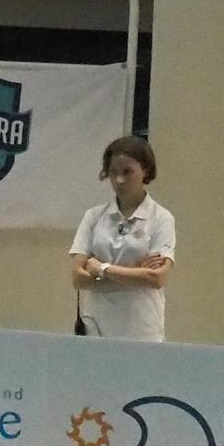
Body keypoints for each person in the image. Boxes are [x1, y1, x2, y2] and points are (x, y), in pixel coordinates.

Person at [70, 135, 174, 343]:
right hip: (95, 329)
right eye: (113, 172)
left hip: (142, 331)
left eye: (127, 172)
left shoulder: (161, 218)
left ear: (145, 170)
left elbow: (156, 279)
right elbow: (78, 278)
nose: (119, 180)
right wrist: (136, 274)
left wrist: (102, 269)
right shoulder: (93, 216)